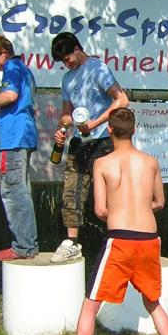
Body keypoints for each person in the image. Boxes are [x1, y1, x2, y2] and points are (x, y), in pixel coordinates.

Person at [55, 107, 168, 335]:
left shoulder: (102, 163)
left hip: (120, 240)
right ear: (135, 130)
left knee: (90, 305)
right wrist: (139, 208)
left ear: (110, 129)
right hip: (149, 239)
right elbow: (160, 202)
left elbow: (100, 210)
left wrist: (120, 212)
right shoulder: (150, 162)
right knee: (152, 302)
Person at [49, 32, 129, 263]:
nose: (66, 64)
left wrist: (94, 123)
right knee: (71, 189)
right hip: (79, 141)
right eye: (62, 62)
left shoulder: (98, 69)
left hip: (103, 139)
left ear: (77, 49)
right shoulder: (67, 79)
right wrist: (62, 128)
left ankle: (121, 238)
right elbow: (67, 114)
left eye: (67, 58)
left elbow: (122, 100)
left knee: (111, 193)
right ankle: (72, 242)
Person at [0, 35, 39, 261]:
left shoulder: (11, 67)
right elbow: (18, 102)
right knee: (21, 190)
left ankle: (23, 246)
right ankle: (27, 244)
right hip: (23, 134)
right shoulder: (23, 69)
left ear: (4, 53)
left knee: (13, 191)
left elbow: (11, 95)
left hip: (14, 138)